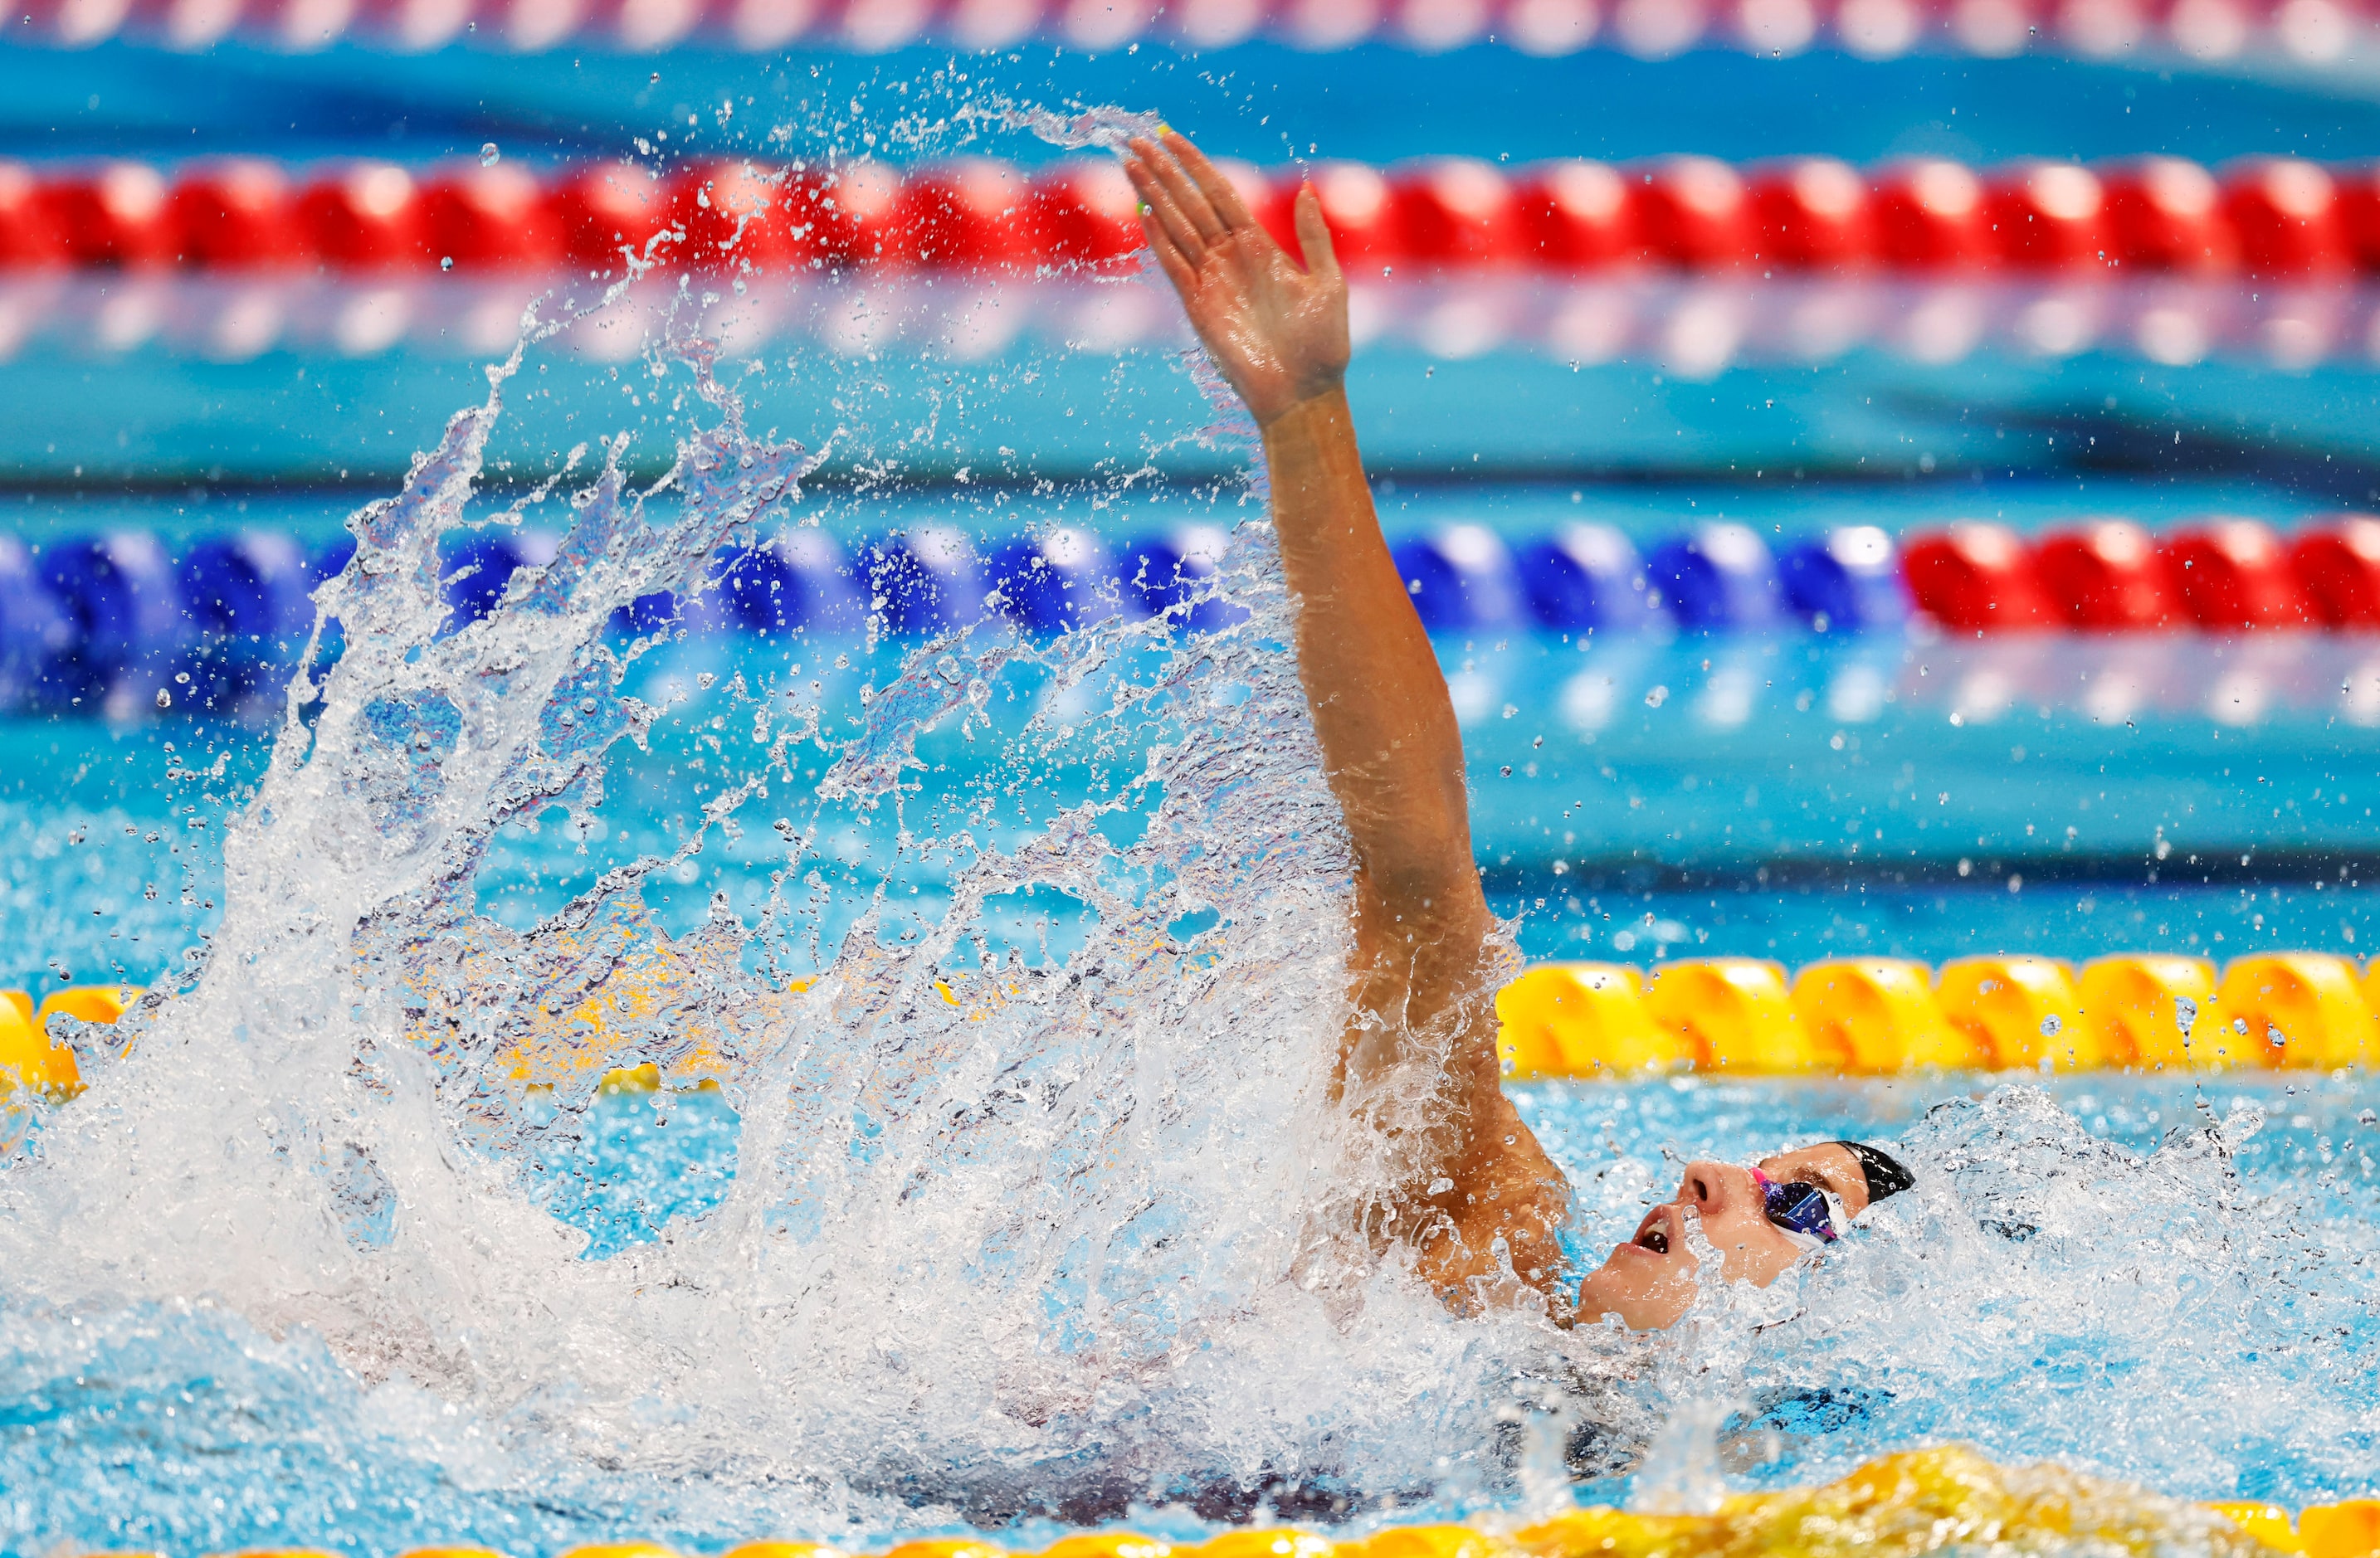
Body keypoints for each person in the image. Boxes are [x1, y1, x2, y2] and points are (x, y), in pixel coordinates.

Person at [1120, 128, 1914, 1332]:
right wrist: (1306, 414)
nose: (1703, 1174)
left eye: (1793, 1207)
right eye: (1768, 1173)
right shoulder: (1486, 1248)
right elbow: (1418, 863)